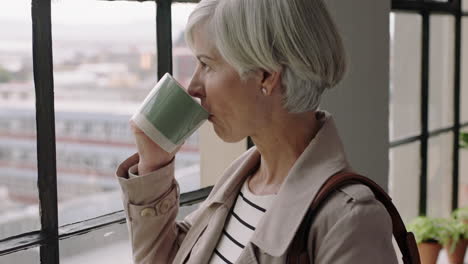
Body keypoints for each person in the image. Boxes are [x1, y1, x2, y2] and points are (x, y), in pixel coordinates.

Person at [115, 0, 399, 263]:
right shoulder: (244, 174)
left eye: (206, 65)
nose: (193, 87)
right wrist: (153, 166)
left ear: (266, 75)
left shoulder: (351, 219)